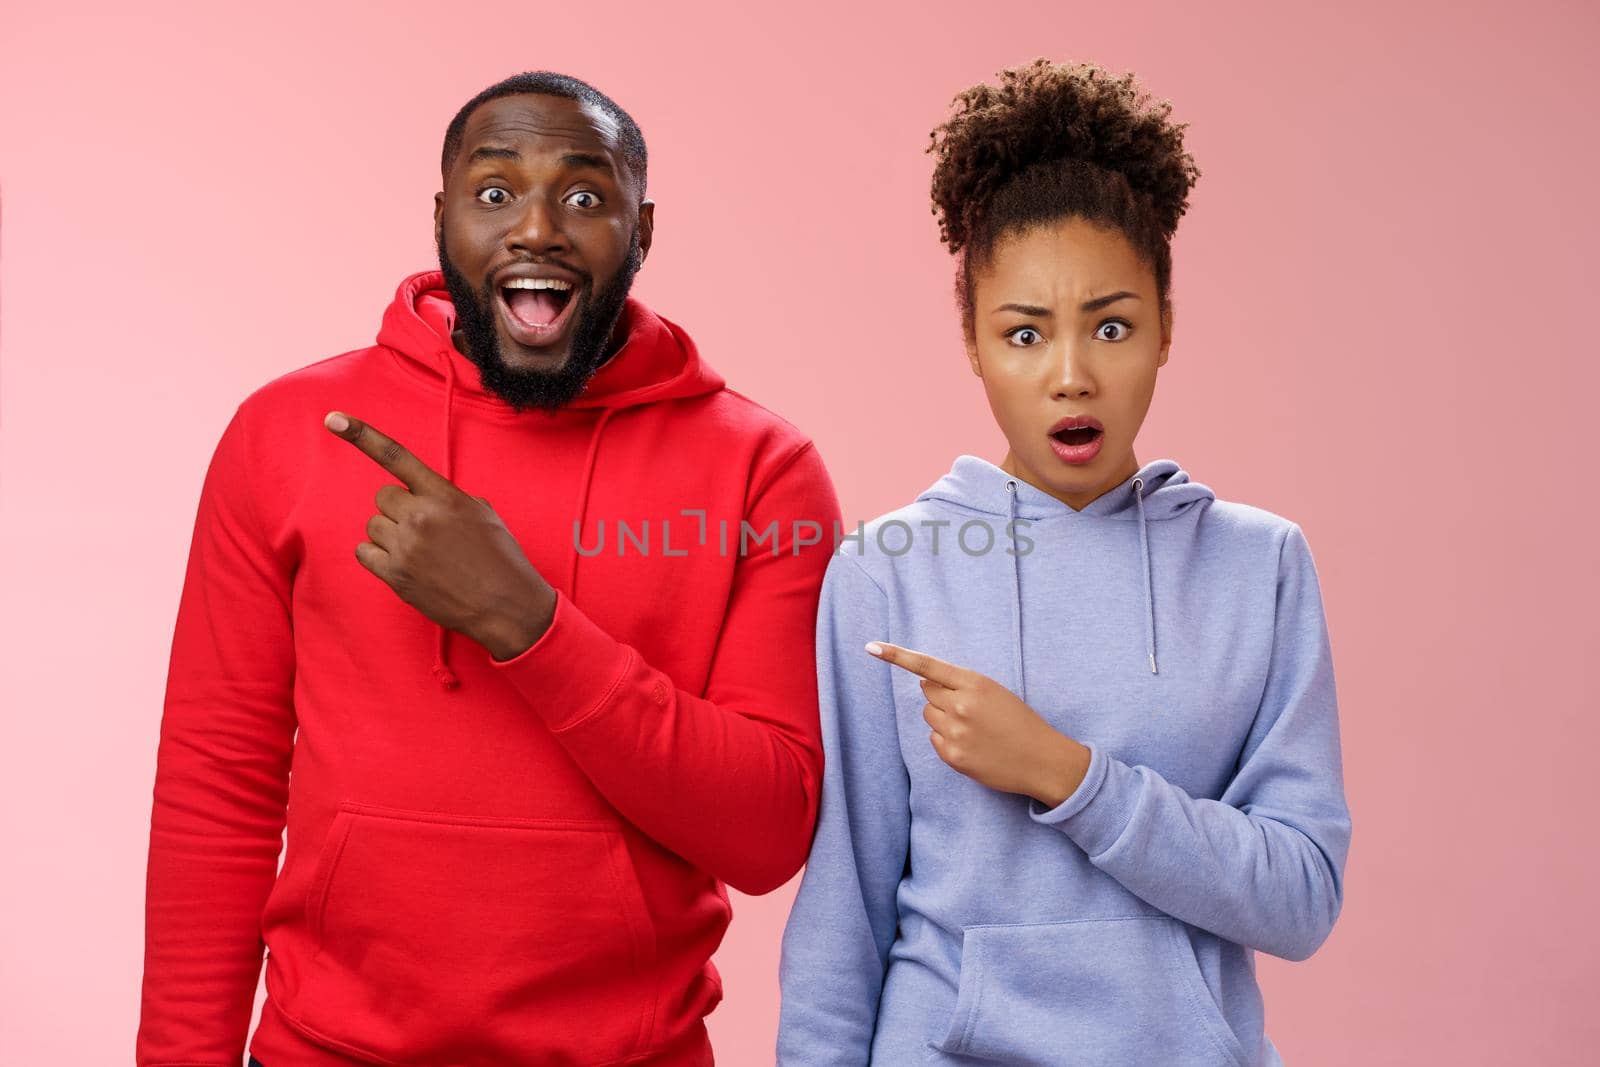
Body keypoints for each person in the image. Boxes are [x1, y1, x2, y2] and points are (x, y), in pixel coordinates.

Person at [138, 71, 840, 1067]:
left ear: (643, 232)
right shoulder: (289, 433)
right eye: (496, 191)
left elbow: (769, 831)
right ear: (442, 218)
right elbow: (219, 787)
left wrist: (526, 623)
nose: (538, 229)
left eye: (586, 197)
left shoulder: (762, 469)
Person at [776, 59, 1352, 1065]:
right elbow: (841, 918)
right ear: (972, 340)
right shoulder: (888, 567)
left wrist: (1064, 772)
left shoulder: (1259, 565)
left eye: (1112, 325)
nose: (1071, 374)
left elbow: (1300, 895)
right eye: (1024, 333)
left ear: (1167, 326)